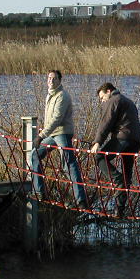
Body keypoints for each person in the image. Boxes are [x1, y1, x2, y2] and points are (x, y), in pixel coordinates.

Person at [30, 70, 87, 209]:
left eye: (54, 79)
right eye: (49, 78)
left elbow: (57, 119)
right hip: (52, 134)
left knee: (69, 164)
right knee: (35, 154)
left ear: (60, 81)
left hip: (62, 133)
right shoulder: (50, 95)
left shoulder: (62, 96)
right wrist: (44, 133)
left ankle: (81, 200)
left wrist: (41, 135)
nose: (51, 81)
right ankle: (39, 192)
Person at [90, 82, 140, 218]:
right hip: (135, 141)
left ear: (108, 91)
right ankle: (119, 210)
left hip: (122, 137)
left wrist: (97, 142)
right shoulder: (128, 101)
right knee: (127, 175)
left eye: (102, 98)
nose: (102, 101)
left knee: (100, 157)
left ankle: (117, 179)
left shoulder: (113, 100)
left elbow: (105, 123)